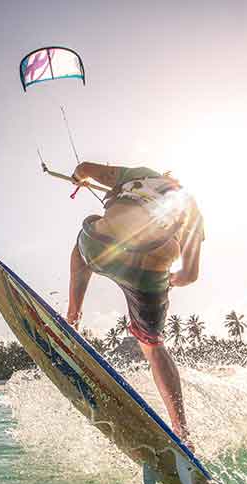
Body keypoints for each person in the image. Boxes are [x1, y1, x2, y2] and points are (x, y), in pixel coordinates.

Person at [65, 162, 204, 445]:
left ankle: (72, 320)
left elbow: (83, 168)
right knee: (153, 345)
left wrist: (78, 179)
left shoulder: (140, 174)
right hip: (152, 270)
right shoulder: (193, 211)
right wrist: (170, 281)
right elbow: (190, 275)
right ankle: (182, 431)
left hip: (103, 246)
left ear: (164, 176)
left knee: (82, 248)